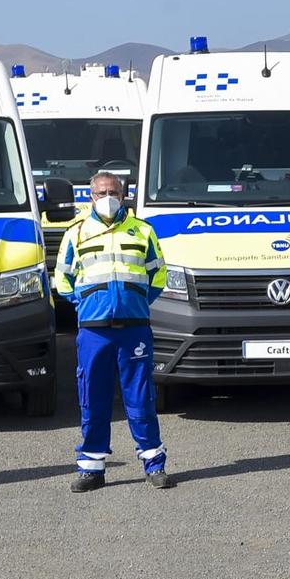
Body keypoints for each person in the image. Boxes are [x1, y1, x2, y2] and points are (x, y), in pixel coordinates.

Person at [53, 171, 170, 491]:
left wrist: (135, 304)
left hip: (134, 329)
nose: (108, 197)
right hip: (94, 331)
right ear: (90, 196)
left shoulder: (143, 231)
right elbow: (62, 280)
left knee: (141, 398)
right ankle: (92, 468)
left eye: (114, 191)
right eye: (102, 192)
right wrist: (88, 304)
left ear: (124, 195)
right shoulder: (76, 233)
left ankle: (153, 464)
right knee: (93, 397)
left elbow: (158, 276)